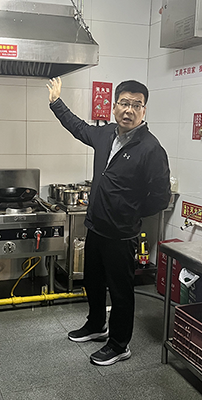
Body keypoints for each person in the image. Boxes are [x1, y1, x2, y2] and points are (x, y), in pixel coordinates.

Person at [47, 77, 171, 366]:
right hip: (96, 227)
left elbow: (160, 197)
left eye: (136, 105)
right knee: (92, 280)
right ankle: (96, 324)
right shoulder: (105, 135)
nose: (129, 110)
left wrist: (130, 213)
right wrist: (56, 103)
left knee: (120, 292)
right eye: (124, 103)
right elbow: (78, 127)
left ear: (144, 110)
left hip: (122, 234)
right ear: (114, 106)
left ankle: (118, 344)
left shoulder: (151, 149)